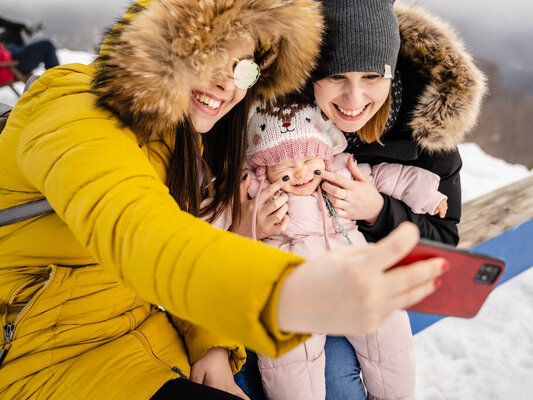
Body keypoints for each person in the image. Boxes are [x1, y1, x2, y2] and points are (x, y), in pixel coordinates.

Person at [0, 1, 447, 399]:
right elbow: (138, 230)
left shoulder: (190, 140)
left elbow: (192, 241)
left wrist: (210, 341)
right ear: (162, 42)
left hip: (149, 341)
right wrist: (283, 293)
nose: (226, 84)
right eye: (209, 55)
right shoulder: (71, 102)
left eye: (244, 69)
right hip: (42, 356)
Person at [240, 1, 487, 399]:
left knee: (354, 376)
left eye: (372, 76)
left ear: (390, 72)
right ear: (312, 76)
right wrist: (250, 222)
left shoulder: (424, 133)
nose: (354, 97)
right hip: (292, 281)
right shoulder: (283, 121)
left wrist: (378, 210)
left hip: (365, 285)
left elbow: (442, 239)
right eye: (336, 76)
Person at [241, 97, 449, 400]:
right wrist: (245, 226)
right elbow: (215, 219)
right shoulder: (255, 192)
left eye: (308, 162)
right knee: (290, 356)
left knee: (387, 326)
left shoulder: (341, 174)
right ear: (263, 169)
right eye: (285, 167)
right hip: (295, 293)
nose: (300, 174)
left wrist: (427, 193)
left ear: (324, 156)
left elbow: (386, 177)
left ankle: (394, 396)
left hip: (352, 277)